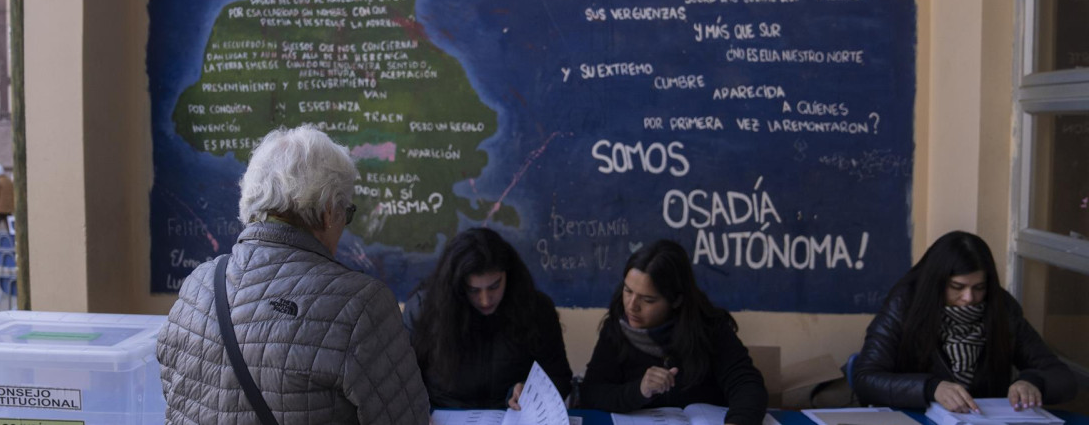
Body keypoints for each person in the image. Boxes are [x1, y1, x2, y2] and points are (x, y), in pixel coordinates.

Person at [157, 126, 430, 425]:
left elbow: (174, 398)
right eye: (346, 213)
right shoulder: (360, 304)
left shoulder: (198, 285)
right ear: (328, 212)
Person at [852, 231, 1075, 412]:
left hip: (981, 417)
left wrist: (1033, 382)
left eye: (979, 288)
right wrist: (930, 388)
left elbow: (1062, 377)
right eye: (957, 287)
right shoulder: (905, 303)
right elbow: (866, 378)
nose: (969, 298)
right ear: (937, 283)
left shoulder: (1001, 308)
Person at [580, 240, 767, 425]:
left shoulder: (710, 327)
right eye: (628, 291)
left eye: (648, 300)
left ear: (676, 301)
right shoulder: (616, 326)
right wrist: (639, 390)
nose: (631, 306)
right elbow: (592, 392)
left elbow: (747, 385)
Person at [403, 227, 573, 409]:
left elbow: (560, 377)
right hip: (443, 413)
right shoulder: (424, 310)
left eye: (494, 286)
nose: (485, 301)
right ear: (457, 286)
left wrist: (533, 391)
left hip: (512, 415)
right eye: (474, 290)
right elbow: (401, 382)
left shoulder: (536, 309)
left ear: (508, 274)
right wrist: (415, 412)